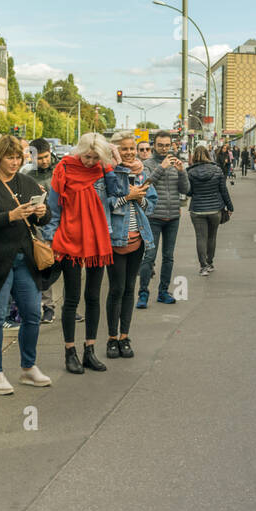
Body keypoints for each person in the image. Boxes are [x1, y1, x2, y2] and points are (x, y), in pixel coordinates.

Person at [0, 135, 52, 394]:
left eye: (18, 157)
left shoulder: (27, 182)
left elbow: (44, 218)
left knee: (32, 314)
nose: (15, 162)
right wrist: (10, 216)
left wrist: (42, 213)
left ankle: (28, 367)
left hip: (25, 260)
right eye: (10, 157)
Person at [41, 133, 115, 374]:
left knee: (93, 296)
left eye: (95, 157)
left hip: (97, 239)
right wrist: (51, 239)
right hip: (69, 239)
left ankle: (89, 350)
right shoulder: (63, 169)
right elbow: (53, 207)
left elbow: (117, 195)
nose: (89, 161)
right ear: (79, 151)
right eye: (86, 156)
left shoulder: (104, 170)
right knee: (72, 298)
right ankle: (70, 352)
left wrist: (113, 164)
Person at [104, 132, 157, 358]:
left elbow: (151, 204)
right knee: (115, 290)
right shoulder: (109, 174)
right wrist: (128, 196)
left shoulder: (142, 173)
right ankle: (112, 338)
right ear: (115, 150)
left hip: (139, 240)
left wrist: (139, 198)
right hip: (116, 241)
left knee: (129, 290)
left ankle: (125, 337)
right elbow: (104, 206)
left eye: (131, 148)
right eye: (124, 149)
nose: (129, 153)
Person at [137, 131, 190, 308]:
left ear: (171, 145)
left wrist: (182, 172)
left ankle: (163, 292)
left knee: (168, 257)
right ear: (154, 145)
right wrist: (162, 168)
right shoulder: (147, 164)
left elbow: (185, 189)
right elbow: (144, 185)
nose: (164, 148)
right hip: (153, 217)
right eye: (160, 145)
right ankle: (143, 293)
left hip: (173, 217)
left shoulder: (176, 164)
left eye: (167, 145)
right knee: (149, 256)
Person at [23, 139, 58, 323]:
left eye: (46, 157)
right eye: (39, 158)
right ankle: (48, 306)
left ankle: (71, 306)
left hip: (62, 224)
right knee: (44, 265)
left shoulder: (61, 169)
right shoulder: (28, 174)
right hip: (41, 225)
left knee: (67, 267)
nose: (44, 161)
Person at [187, 145, 234, 276]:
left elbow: (189, 192)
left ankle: (203, 267)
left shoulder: (190, 172)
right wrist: (230, 207)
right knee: (212, 237)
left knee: (200, 238)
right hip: (215, 210)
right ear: (208, 155)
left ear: (194, 156)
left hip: (197, 210)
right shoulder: (217, 170)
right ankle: (210, 262)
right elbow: (223, 191)